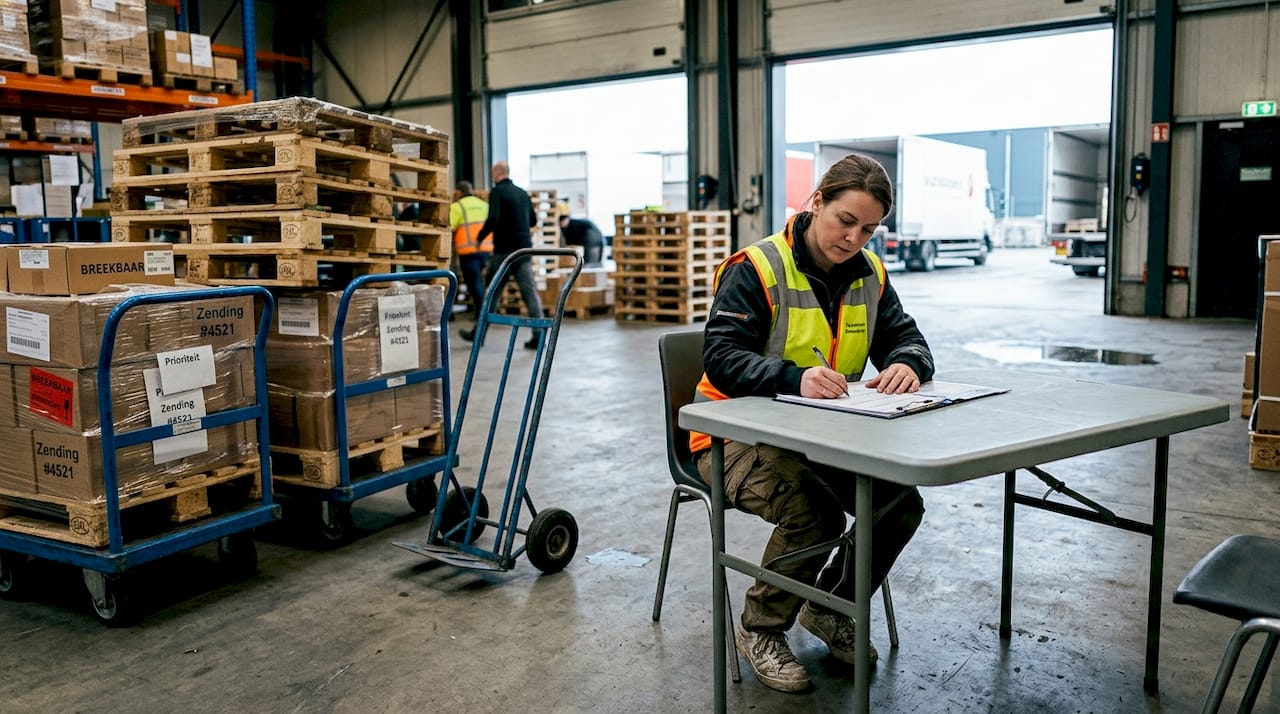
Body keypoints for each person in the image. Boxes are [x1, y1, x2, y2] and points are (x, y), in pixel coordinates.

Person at [689, 153, 934, 694]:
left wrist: (907, 363)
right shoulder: (755, 268)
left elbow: (908, 338)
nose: (854, 239)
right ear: (816, 201)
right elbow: (722, 356)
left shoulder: (870, 274)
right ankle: (762, 629)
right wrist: (792, 377)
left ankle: (831, 606)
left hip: (823, 436)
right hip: (730, 437)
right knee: (814, 511)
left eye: (869, 229)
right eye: (845, 221)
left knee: (899, 503)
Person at [460, 161, 543, 350]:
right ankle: (538, 335)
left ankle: (478, 335)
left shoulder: (497, 192)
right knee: (529, 292)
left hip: (504, 253)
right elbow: (532, 219)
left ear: (497, 174)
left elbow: (493, 218)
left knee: (492, 293)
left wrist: (480, 237)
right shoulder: (522, 193)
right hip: (523, 250)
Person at [448, 181, 492, 319]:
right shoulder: (484, 205)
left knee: (474, 283)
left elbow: (450, 227)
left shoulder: (457, 207)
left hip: (468, 251)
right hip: (486, 249)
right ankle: (482, 311)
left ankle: (481, 313)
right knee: (480, 281)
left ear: (459, 192)